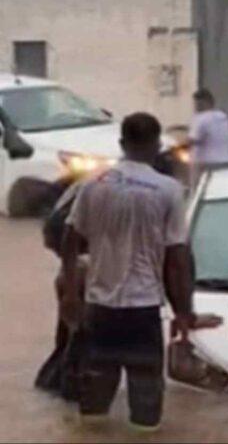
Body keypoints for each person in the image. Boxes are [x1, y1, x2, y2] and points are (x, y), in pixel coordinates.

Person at [59, 112, 208, 431]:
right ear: (156, 146)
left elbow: (69, 239)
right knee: (146, 414)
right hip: (143, 312)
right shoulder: (168, 190)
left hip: (99, 310)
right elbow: (177, 258)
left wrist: (71, 293)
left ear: (122, 144)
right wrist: (184, 311)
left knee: (93, 410)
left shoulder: (93, 184)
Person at [180, 89, 228, 189]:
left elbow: (192, 140)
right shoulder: (222, 116)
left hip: (206, 163)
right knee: (224, 189)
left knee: (201, 190)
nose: (195, 106)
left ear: (205, 103)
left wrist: (178, 146)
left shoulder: (200, 118)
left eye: (197, 103)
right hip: (227, 160)